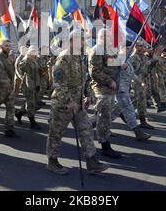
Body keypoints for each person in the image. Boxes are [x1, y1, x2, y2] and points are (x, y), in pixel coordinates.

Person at [46, 30, 109, 175]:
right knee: (56, 133)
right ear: (73, 41)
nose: (84, 42)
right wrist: (69, 101)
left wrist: (88, 95)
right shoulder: (64, 58)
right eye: (81, 40)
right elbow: (58, 83)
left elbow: (83, 80)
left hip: (78, 103)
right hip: (63, 104)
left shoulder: (79, 57)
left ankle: (91, 160)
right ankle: (52, 162)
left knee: (86, 129)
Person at [88, 29, 121, 159]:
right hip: (102, 88)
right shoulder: (96, 50)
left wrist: (120, 63)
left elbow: (110, 64)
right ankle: (105, 146)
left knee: (101, 115)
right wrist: (109, 82)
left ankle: (85, 126)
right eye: (108, 36)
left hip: (111, 88)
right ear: (102, 37)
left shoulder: (108, 50)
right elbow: (94, 72)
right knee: (104, 117)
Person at [16, 45, 42, 130]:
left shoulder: (35, 60)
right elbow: (20, 68)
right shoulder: (26, 60)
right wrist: (26, 59)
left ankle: (19, 113)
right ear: (29, 52)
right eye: (32, 51)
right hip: (28, 85)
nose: (34, 52)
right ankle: (32, 122)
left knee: (31, 102)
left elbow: (37, 72)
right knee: (31, 103)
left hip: (35, 85)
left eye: (35, 51)